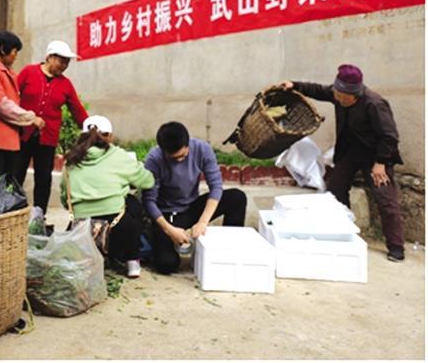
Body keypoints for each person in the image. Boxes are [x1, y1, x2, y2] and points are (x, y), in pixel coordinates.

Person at [278, 64, 406, 261]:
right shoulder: (338, 94)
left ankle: (396, 246)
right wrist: (294, 85)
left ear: (353, 94)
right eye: (335, 92)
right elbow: (319, 90)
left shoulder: (374, 104)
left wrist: (381, 163)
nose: (336, 96)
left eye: (340, 94)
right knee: (335, 189)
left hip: (376, 156)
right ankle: (345, 231)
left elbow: (389, 136)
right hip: (349, 152)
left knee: (385, 199)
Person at [143, 122, 247, 274]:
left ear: (188, 144)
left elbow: (216, 186)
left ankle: (230, 249)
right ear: (163, 150)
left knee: (237, 197)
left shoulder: (202, 149)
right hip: (167, 213)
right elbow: (148, 201)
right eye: (174, 158)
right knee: (167, 264)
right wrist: (169, 230)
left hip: (191, 207)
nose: (179, 160)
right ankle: (152, 234)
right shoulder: (154, 159)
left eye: (183, 156)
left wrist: (203, 222)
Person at [61, 116, 155, 278]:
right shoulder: (118, 155)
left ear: (82, 136)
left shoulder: (71, 161)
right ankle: (132, 261)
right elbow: (148, 181)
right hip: (118, 233)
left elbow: (65, 199)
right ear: (110, 136)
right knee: (132, 203)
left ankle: (91, 259)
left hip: (82, 233)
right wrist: (124, 186)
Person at [15, 40, 88, 216]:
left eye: (67, 62)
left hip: (47, 138)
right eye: (62, 61)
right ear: (49, 57)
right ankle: (11, 212)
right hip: (21, 134)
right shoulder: (28, 72)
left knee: (43, 178)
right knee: (16, 174)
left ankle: (39, 217)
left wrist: (91, 129)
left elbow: (77, 110)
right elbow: (12, 96)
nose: (64, 65)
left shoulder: (65, 84)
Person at [0, 31, 45, 178]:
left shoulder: (7, 72)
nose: (15, 56)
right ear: (3, 49)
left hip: (9, 141)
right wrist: (30, 118)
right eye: (14, 52)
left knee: (8, 189)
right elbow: (2, 104)